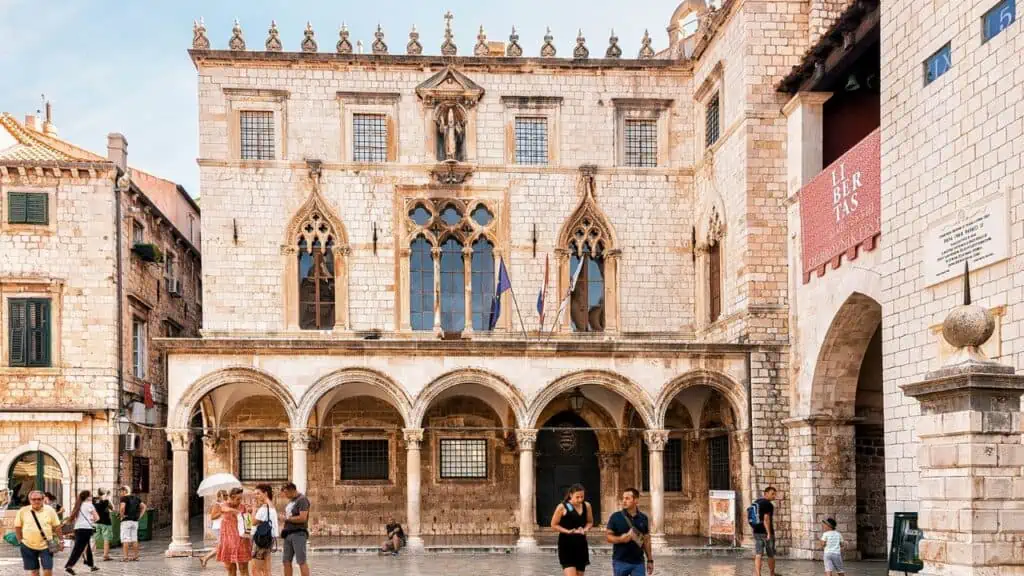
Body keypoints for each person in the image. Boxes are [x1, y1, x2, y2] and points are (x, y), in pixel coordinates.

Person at [605, 488, 654, 576]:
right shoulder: (615, 517)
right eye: (623, 498)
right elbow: (608, 537)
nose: (624, 501)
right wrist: (621, 539)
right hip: (620, 562)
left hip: (638, 563)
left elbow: (646, 540)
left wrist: (650, 560)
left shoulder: (643, 518)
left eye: (627, 498)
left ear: (636, 500)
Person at [14, 490, 63, 576]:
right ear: (30, 500)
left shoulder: (50, 510)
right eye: (34, 499)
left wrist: (61, 541)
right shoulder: (23, 511)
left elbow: (57, 526)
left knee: (48, 569)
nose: (36, 501)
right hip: (28, 545)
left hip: (46, 545)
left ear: (43, 499)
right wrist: (20, 541)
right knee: (34, 571)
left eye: (39, 499)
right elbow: (18, 526)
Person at [551, 483, 593, 576]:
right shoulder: (562, 507)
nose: (580, 499)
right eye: (577, 497)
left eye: (582, 497)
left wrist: (585, 530)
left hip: (581, 545)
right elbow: (553, 525)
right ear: (570, 495)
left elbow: (590, 522)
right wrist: (568, 531)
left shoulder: (587, 506)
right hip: (566, 545)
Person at [63, 490, 99, 574]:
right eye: (91, 495)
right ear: (87, 497)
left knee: (87, 547)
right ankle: (69, 566)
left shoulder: (78, 505)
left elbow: (74, 518)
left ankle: (91, 565)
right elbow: (97, 517)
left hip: (78, 529)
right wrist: (91, 519)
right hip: (86, 529)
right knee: (78, 548)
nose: (92, 497)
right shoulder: (89, 505)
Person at [217, 488, 251, 576]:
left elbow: (248, 522)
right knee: (231, 569)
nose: (240, 501)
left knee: (244, 568)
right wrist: (235, 511)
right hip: (228, 542)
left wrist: (250, 511)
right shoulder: (224, 505)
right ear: (232, 497)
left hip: (241, 541)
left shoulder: (243, 507)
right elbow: (224, 509)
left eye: (241, 499)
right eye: (238, 499)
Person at [280, 483, 310, 576]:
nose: (285, 495)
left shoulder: (302, 500)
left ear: (291, 490)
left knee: (301, 561)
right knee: (286, 561)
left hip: (298, 533)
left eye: (286, 492)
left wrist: (286, 519)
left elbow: (303, 518)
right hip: (288, 533)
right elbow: (291, 515)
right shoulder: (291, 501)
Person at [251, 484, 279, 576]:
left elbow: (253, 522)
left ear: (265, 493)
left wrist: (254, 509)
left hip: (260, 540)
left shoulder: (263, 508)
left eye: (258, 494)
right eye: (255, 494)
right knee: (267, 570)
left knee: (255, 570)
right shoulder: (272, 507)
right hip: (269, 540)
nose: (256, 496)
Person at [752, 486, 779, 576]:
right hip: (766, 532)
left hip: (756, 531)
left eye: (775, 494)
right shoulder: (768, 504)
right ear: (766, 494)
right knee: (770, 554)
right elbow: (766, 519)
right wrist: (768, 533)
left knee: (758, 553)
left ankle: (758, 574)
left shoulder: (756, 502)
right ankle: (772, 573)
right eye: (772, 494)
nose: (774, 496)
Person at [200, 490, 228, 569]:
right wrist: (221, 512)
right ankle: (206, 558)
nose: (226, 496)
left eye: (226, 495)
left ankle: (205, 558)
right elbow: (212, 517)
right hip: (218, 528)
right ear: (219, 496)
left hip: (222, 527)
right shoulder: (217, 505)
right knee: (222, 545)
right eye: (224, 495)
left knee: (222, 545)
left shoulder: (223, 504)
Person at [117, 486, 145, 562]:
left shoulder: (124, 498)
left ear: (125, 491)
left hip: (126, 521)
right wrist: (140, 516)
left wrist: (122, 516)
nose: (120, 493)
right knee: (134, 539)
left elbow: (122, 508)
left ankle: (126, 557)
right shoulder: (136, 498)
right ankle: (136, 557)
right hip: (135, 521)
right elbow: (144, 507)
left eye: (121, 491)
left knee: (125, 539)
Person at [91, 490, 113, 562]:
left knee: (94, 539)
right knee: (106, 539)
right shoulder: (106, 501)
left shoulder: (93, 500)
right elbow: (112, 508)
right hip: (106, 522)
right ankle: (105, 556)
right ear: (105, 494)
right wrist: (109, 498)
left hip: (96, 522)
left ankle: (89, 554)